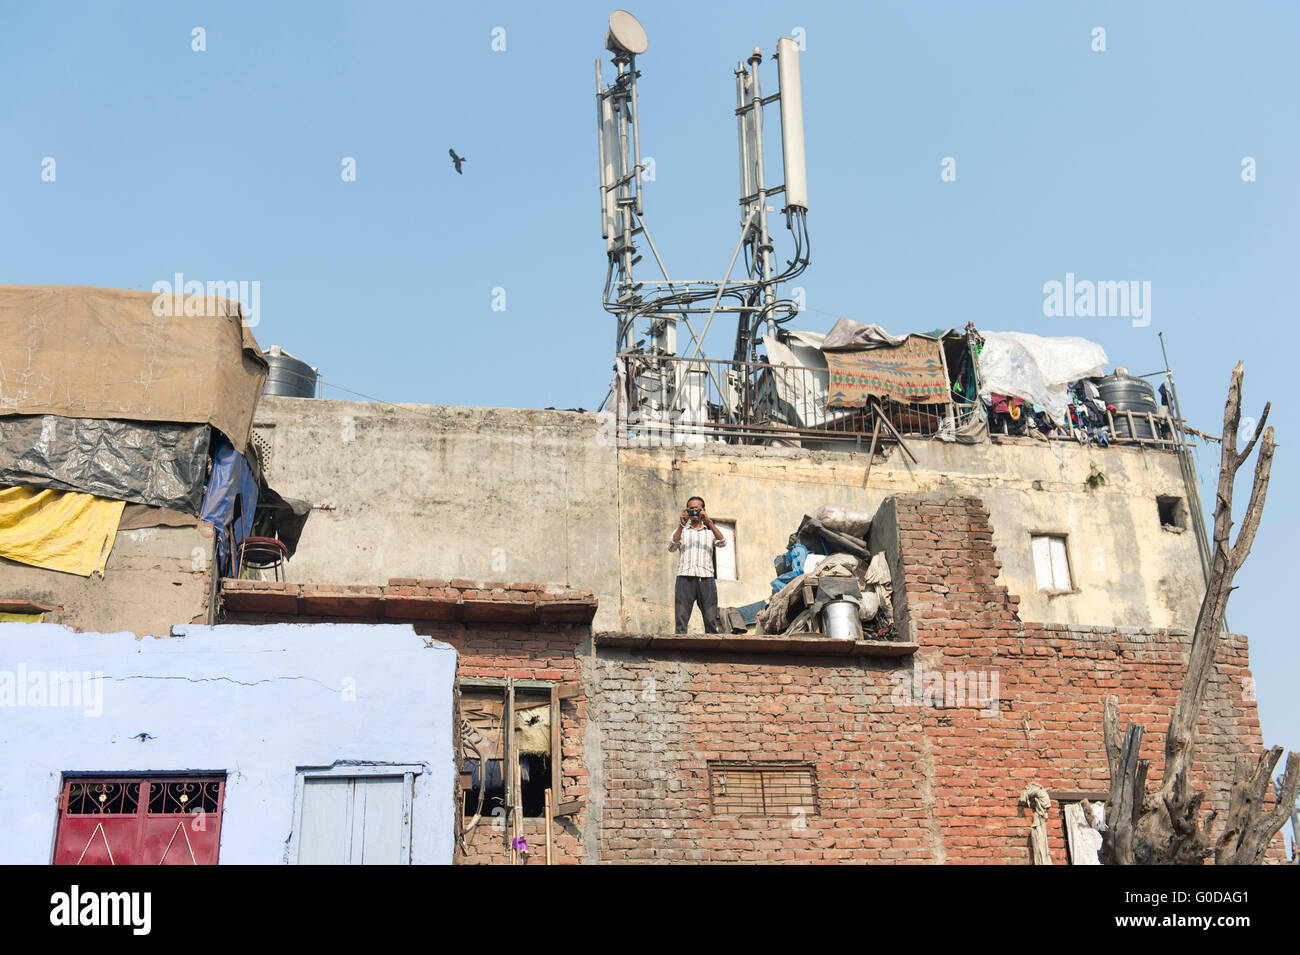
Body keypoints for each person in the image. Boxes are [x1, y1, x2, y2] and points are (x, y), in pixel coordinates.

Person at [669, 495, 726, 633]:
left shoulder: (710, 532)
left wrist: (709, 522)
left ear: (703, 510)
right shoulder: (682, 531)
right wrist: (681, 524)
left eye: (697, 509)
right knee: (681, 620)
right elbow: (671, 547)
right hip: (685, 577)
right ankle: (680, 652)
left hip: (706, 578)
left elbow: (723, 542)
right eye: (691, 509)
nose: (694, 512)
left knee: (711, 620)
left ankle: (711, 652)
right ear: (686, 511)